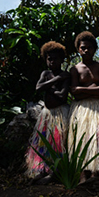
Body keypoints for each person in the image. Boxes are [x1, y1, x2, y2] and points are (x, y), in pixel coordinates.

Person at [26, 41, 70, 183]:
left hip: (60, 114)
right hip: (47, 114)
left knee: (58, 143)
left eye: (55, 59)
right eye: (49, 59)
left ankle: (55, 172)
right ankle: (42, 169)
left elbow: (62, 95)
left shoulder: (66, 75)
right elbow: (38, 88)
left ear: (62, 60)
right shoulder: (47, 74)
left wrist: (48, 87)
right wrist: (56, 80)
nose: (52, 62)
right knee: (43, 142)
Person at [69, 31, 99, 182]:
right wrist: (92, 90)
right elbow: (74, 94)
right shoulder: (75, 69)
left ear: (95, 49)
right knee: (82, 139)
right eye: (83, 48)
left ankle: (96, 172)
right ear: (78, 49)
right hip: (82, 109)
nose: (86, 50)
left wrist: (81, 89)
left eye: (90, 48)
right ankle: (83, 174)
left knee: (98, 138)